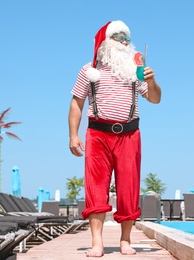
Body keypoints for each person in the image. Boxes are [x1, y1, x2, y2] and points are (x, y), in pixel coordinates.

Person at [68, 20, 161, 257]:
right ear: (105, 42)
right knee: (95, 188)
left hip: (129, 134)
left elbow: (155, 99)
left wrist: (151, 80)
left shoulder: (135, 70)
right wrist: (73, 135)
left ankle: (125, 241)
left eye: (125, 37)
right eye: (117, 36)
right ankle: (97, 243)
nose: (123, 41)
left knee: (128, 189)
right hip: (97, 135)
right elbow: (77, 103)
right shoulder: (88, 69)